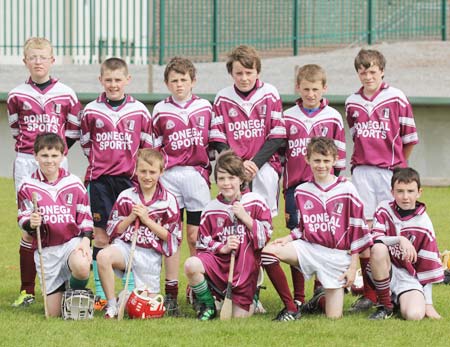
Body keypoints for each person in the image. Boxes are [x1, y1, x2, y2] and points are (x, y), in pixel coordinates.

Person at [261, 137, 372, 320]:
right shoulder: (302, 190)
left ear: (335, 160)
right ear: (307, 160)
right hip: (310, 249)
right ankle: (291, 308)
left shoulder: (347, 189)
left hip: (337, 255)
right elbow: (304, 228)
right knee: (268, 252)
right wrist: (288, 239)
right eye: (317, 160)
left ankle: (316, 301)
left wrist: (353, 267)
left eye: (326, 160)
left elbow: (358, 230)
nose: (321, 165)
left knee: (333, 317)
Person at [7, 37, 82, 307]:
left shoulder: (67, 93)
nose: (38, 62)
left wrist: (53, 156)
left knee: (62, 222)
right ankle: (28, 291)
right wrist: (36, 156)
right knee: (29, 225)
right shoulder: (16, 94)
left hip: (57, 163)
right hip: (27, 161)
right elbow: (16, 130)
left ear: (52, 60)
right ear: (25, 61)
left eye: (43, 57)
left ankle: (66, 283)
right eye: (33, 57)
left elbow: (72, 131)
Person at [345, 49, 419, 313]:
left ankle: (398, 287)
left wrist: (398, 167)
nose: (367, 76)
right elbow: (356, 138)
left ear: (382, 71)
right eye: (363, 71)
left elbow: (409, 139)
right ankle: (370, 294)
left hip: (389, 173)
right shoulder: (351, 102)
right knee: (365, 232)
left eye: (372, 71)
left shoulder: (396, 97)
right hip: (362, 173)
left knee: (390, 231)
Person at [79, 57, 153, 310]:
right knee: (100, 236)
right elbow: (87, 145)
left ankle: (130, 291)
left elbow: (146, 148)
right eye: (108, 80)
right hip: (99, 181)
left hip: (128, 182)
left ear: (127, 80)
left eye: (118, 80)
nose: (113, 85)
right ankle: (101, 294)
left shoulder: (140, 111)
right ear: (101, 80)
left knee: (128, 232)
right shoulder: (90, 111)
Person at [152, 57, 212, 314]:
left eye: (183, 80)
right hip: (170, 177)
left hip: (197, 176)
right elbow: (154, 147)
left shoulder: (205, 107)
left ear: (193, 81)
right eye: (174, 80)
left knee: (196, 236)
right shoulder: (160, 110)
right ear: (166, 83)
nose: (179, 85)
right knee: (171, 236)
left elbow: (215, 142)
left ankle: (198, 288)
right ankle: (171, 293)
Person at [282, 64, 346, 306]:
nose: (310, 94)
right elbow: (280, 155)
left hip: (325, 190)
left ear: (324, 88)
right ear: (298, 88)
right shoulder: (287, 116)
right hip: (296, 189)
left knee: (322, 236)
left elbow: (339, 156)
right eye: (306, 89)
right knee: (297, 239)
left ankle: (321, 289)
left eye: (315, 89)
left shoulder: (333, 117)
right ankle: (298, 297)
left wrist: (337, 185)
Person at [184, 150, 272, 320]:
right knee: (191, 264)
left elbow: (265, 237)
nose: (226, 183)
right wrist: (222, 247)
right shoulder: (210, 208)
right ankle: (207, 305)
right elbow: (202, 243)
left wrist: (246, 218)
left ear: (241, 179)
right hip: (219, 264)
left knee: (238, 318)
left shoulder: (255, 201)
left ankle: (252, 294)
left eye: (231, 178)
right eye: (222, 178)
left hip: (245, 269)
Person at [97, 149, 181, 319]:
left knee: (145, 309)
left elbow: (172, 237)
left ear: (161, 172)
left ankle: (125, 298)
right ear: (136, 170)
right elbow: (113, 229)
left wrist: (147, 220)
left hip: (149, 255)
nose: (147, 176)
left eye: (152, 172)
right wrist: (131, 217)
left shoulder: (168, 200)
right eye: (143, 171)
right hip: (126, 248)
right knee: (103, 256)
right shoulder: (126, 196)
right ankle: (112, 306)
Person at [17, 133, 92, 317]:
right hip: (47, 251)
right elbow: (23, 217)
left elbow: (86, 217)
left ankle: (75, 289)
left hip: (70, 244)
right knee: (53, 314)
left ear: (62, 156)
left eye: (54, 156)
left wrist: (85, 241)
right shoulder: (27, 185)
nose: (49, 161)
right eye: (44, 155)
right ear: (35, 156)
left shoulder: (74, 183)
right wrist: (30, 223)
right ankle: (64, 289)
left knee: (82, 267)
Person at [210, 45, 286, 218]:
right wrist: (238, 165)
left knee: (264, 219)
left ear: (257, 72)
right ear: (231, 73)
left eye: (249, 72)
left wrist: (255, 163)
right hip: (234, 167)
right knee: (234, 217)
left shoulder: (270, 93)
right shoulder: (222, 97)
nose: (244, 78)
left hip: (264, 165)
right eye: (239, 73)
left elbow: (277, 135)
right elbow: (218, 138)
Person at [368, 167, 443, 320]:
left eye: (410, 191)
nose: (405, 197)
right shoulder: (383, 209)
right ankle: (385, 305)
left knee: (414, 315)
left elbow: (426, 267)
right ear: (392, 192)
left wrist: (428, 303)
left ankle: (396, 300)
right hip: (383, 268)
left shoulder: (424, 224)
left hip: (408, 278)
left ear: (419, 192)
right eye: (400, 191)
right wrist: (400, 239)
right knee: (378, 248)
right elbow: (374, 239)